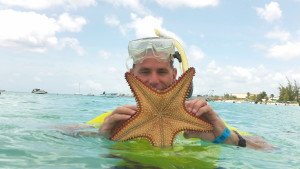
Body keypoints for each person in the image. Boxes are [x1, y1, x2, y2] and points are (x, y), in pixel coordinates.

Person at [97, 37, 274, 150]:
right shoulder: (115, 121)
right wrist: (101, 135)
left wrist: (227, 138)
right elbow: (69, 133)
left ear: (175, 75)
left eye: (162, 71)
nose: (153, 80)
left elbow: (268, 148)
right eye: (144, 72)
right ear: (133, 76)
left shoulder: (201, 121)